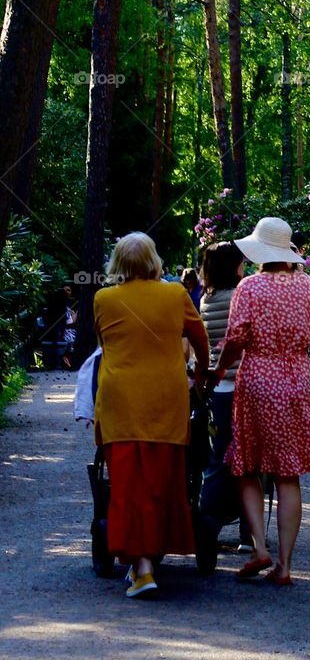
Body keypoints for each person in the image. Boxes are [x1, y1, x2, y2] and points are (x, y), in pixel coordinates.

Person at [207, 216, 310, 585]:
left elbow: (235, 340)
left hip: (258, 380)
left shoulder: (249, 288)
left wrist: (219, 372)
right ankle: (284, 565)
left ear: (259, 252)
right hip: (300, 379)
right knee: (287, 475)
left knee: (247, 467)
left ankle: (259, 547)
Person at [94, 232, 210, 599]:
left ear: (118, 264)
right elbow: (199, 339)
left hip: (121, 402)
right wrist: (203, 375)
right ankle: (148, 561)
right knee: (162, 483)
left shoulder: (104, 299)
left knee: (127, 485)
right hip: (165, 400)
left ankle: (141, 565)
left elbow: (107, 345)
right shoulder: (175, 294)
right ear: (153, 261)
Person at [197, 241, 250, 553]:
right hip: (243, 384)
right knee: (249, 460)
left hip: (219, 388)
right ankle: (248, 532)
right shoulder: (239, 296)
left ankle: (209, 523)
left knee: (219, 458)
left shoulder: (207, 298)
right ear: (234, 266)